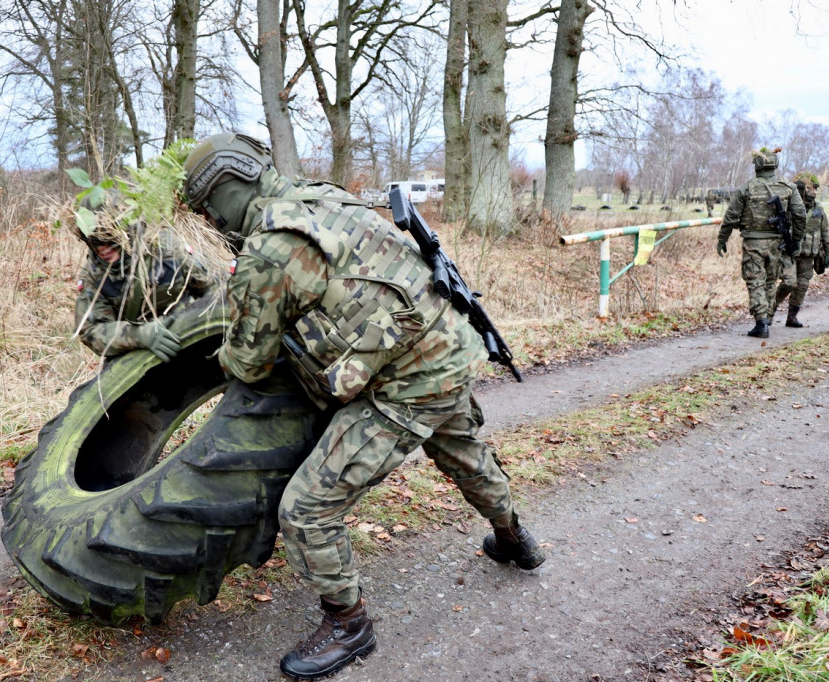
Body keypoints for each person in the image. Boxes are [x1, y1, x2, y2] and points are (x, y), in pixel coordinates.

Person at [180, 132, 545, 680]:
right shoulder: (325, 196)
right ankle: (516, 538)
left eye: (209, 206)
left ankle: (349, 625)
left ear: (232, 184)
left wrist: (230, 337)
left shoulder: (268, 248)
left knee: (305, 508)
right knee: (463, 454)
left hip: (405, 380)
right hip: (446, 348)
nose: (210, 220)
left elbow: (249, 364)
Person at [72, 189, 214, 360]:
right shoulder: (94, 276)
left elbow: (211, 288)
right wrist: (138, 334)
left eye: (108, 238)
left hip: (189, 337)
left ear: (126, 230)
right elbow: (90, 331)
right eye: (93, 241)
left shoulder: (166, 247)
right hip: (140, 356)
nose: (102, 248)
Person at [716, 147, 806, 338]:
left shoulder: (746, 188)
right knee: (771, 281)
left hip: (753, 243)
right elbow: (800, 216)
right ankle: (766, 318)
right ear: (775, 165)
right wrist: (796, 241)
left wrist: (722, 239)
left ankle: (761, 322)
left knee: (756, 281)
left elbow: (731, 217)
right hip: (776, 244)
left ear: (756, 166)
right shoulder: (789, 188)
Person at [770, 174, 829, 327]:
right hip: (790, 253)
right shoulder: (790, 206)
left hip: (809, 255)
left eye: (816, 189)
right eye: (811, 189)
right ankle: (769, 312)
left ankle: (792, 317)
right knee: (789, 283)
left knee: (802, 286)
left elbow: (825, 232)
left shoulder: (819, 209)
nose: (814, 192)